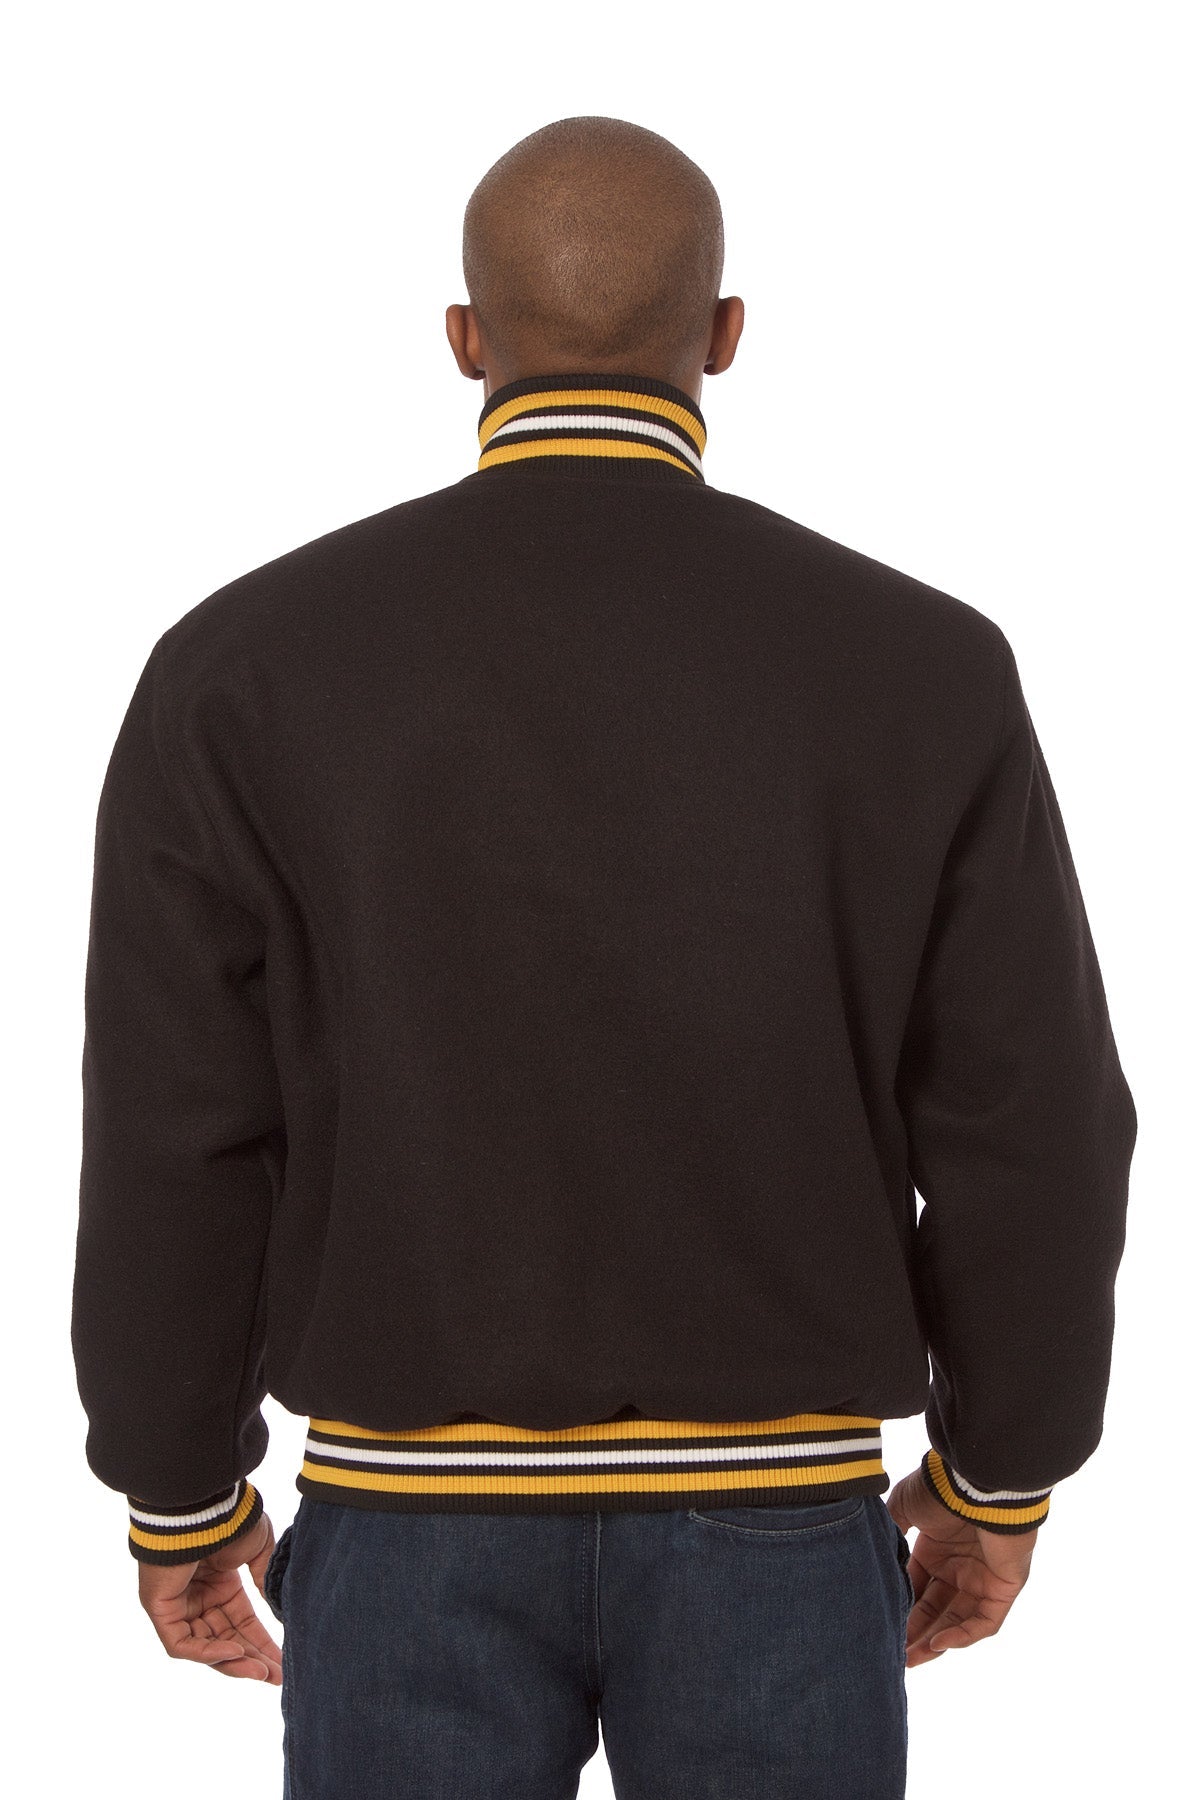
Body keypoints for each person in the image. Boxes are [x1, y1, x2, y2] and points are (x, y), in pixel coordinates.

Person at [70, 114, 1137, 1800]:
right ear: (725, 337)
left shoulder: (241, 667)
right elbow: (1035, 1125)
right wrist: (1001, 1475)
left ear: (463, 340)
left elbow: (175, 1129)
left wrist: (180, 1490)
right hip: (780, 1527)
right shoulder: (923, 666)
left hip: (403, 1525)